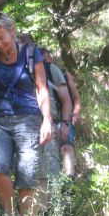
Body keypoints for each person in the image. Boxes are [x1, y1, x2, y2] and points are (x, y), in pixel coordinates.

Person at [0, 12, 52, 216]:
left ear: (13, 31)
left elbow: (42, 89)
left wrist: (47, 120)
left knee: (27, 174)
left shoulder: (31, 53)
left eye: (2, 38)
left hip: (28, 118)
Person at [36, 48, 72, 207]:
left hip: (50, 122)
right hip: (26, 125)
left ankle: (53, 210)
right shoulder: (18, 67)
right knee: (34, 169)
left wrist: (65, 123)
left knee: (51, 166)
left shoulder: (52, 69)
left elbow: (67, 100)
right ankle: (39, 210)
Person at [42, 49, 80, 177]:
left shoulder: (63, 74)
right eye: (42, 60)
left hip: (65, 115)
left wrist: (75, 112)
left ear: (51, 59)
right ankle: (54, 179)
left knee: (66, 146)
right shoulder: (39, 75)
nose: (45, 62)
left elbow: (75, 98)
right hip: (50, 118)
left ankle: (69, 177)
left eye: (47, 59)